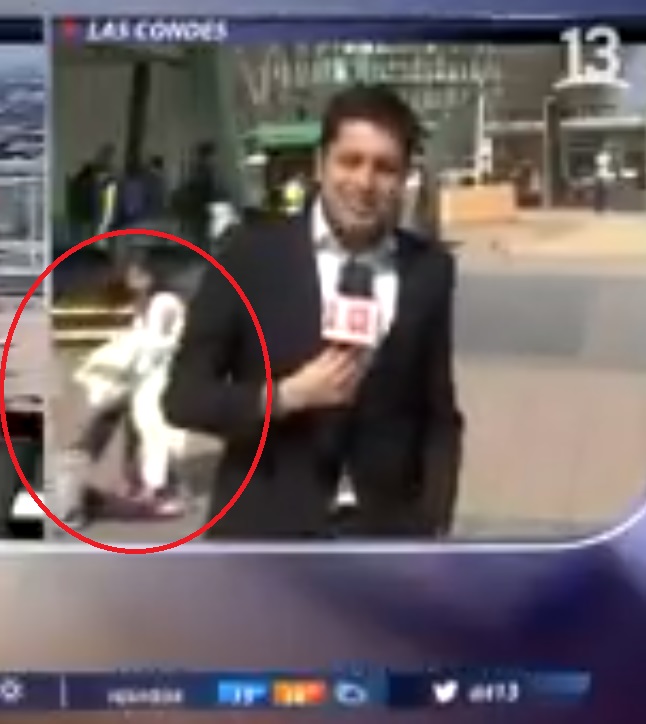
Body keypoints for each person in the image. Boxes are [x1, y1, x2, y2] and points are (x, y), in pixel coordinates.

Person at [162, 84, 464, 539]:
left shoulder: (429, 270)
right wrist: (284, 396)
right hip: (264, 535)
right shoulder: (250, 256)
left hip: (383, 540)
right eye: (350, 161)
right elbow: (184, 397)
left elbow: (438, 415)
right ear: (320, 164)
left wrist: (434, 524)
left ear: (404, 178)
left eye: (384, 168)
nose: (365, 183)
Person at [64, 253, 189, 527]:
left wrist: (120, 360)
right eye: (129, 274)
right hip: (145, 375)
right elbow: (143, 342)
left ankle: (157, 489)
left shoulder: (163, 302)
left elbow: (155, 344)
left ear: (150, 275)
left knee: (151, 427)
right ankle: (146, 485)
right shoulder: (145, 303)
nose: (131, 279)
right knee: (138, 428)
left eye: (137, 274)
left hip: (159, 375)